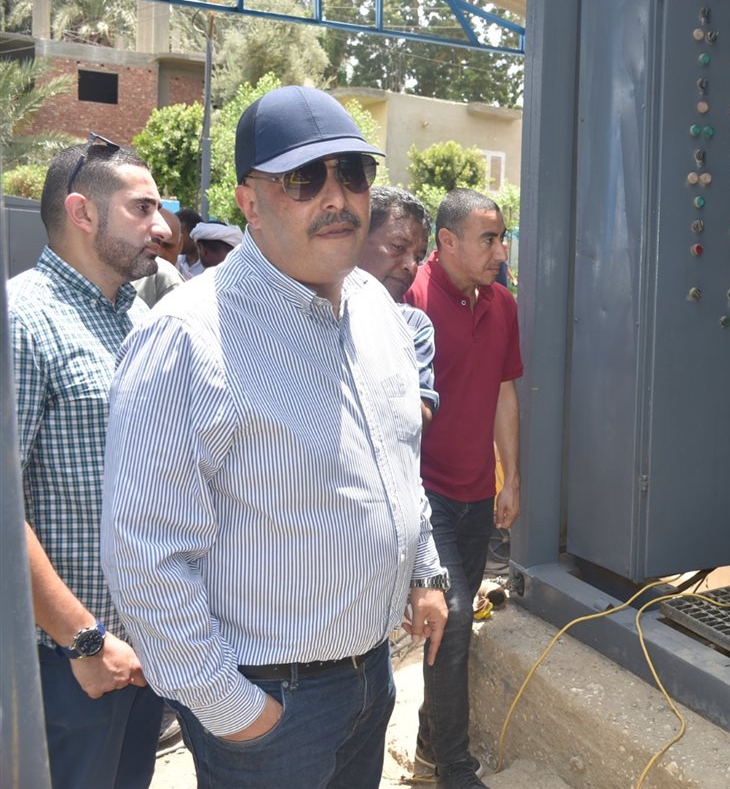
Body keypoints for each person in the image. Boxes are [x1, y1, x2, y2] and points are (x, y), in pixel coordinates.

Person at [100, 85, 449, 789]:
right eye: (303, 178)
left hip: (370, 678)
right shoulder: (188, 338)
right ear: (250, 203)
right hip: (270, 709)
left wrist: (425, 571)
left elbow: (397, 463)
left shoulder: (378, 312)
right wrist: (235, 710)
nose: (337, 197)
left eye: (354, 173)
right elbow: (145, 556)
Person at [11, 135, 170, 788]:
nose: (163, 228)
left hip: (144, 652)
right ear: (82, 212)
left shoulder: (143, 318)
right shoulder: (22, 318)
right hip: (67, 663)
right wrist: (83, 639)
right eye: (143, 208)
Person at [404, 188, 523, 789]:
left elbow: (504, 393)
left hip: (478, 494)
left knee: (453, 629)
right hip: (426, 496)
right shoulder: (411, 298)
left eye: (501, 238)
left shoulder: (503, 304)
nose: (501, 252)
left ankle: (429, 743)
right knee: (450, 621)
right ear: (447, 241)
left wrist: (511, 477)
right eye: (489, 240)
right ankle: (454, 765)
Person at [360, 186, 439, 428]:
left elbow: (419, 419)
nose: (411, 266)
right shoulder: (310, 310)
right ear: (355, 238)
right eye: (398, 247)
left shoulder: (413, 325)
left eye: (418, 257)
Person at [133, 207, 184, 307]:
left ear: (180, 244)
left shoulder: (167, 276)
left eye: (167, 246)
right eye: (152, 244)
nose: (159, 253)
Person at [175, 207, 203, 279]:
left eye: (180, 235)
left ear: (194, 235)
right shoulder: (177, 260)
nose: (176, 239)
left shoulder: (210, 265)